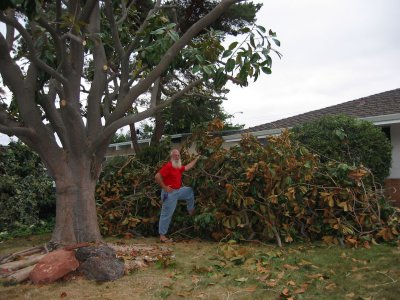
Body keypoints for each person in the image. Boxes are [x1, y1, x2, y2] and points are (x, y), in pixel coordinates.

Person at [155, 149, 200, 243]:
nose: (177, 157)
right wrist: (164, 187)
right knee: (166, 214)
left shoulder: (177, 166)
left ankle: (190, 210)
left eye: (178, 155)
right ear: (171, 157)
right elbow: (157, 176)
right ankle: (162, 236)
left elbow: (187, 167)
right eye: (175, 155)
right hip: (169, 193)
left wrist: (196, 159)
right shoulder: (169, 166)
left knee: (189, 191)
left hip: (178, 191)